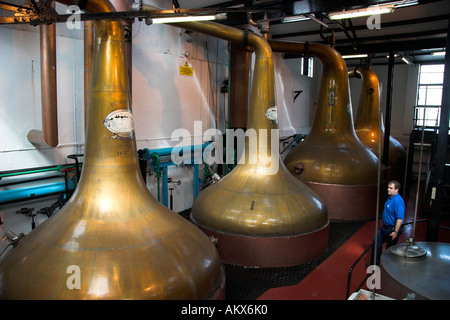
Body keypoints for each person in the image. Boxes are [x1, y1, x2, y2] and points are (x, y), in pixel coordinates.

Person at [371, 180, 405, 265]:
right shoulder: (390, 197)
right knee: (376, 240)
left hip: (392, 228)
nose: (388, 190)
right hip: (385, 227)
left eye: (391, 188)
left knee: (389, 249)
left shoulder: (398, 201)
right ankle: (375, 263)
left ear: (396, 189)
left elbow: (400, 219)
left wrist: (395, 232)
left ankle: (386, 267)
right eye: (388, 188)